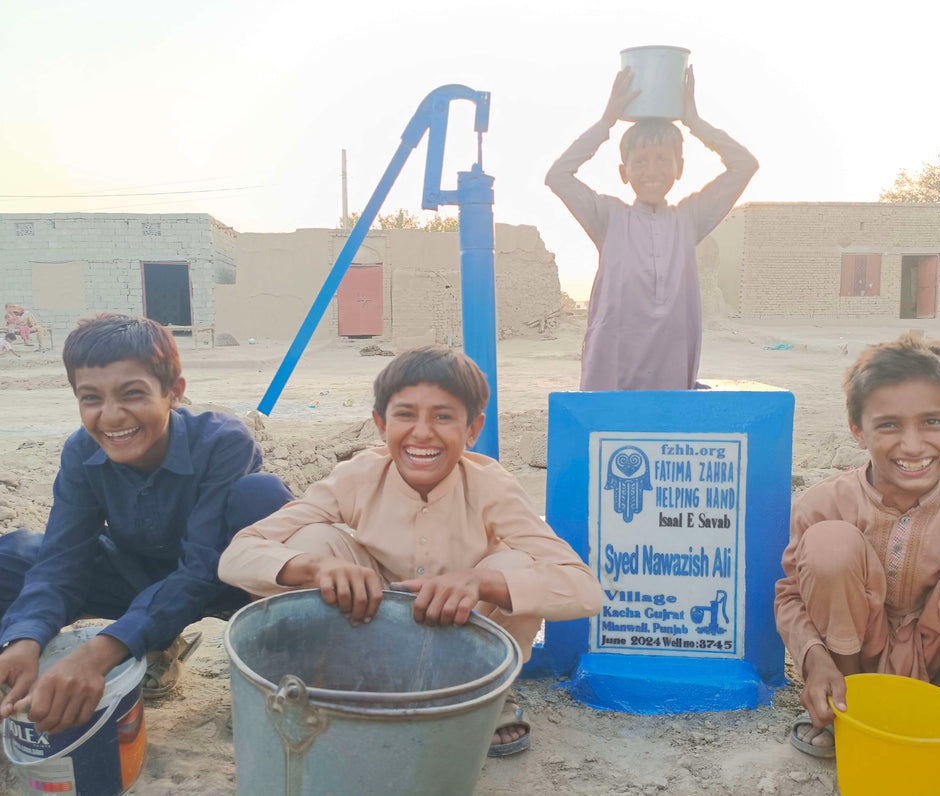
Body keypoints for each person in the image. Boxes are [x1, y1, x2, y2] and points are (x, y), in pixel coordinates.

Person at [219, 345, 602, 756]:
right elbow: (236, 557)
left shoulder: (493, 489)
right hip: (369, 632)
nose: (422, 432)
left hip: (461, 643)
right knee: (311, 540)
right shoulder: (357, 477)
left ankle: (491, 694)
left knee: (518, 567)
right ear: (381, 424)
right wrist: (315, 567)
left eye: (443, 416)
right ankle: (323, 683)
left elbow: (585, 590)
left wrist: (480, 582)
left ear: (473, 429)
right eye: (405, 415)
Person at [0, 313, 293, 736]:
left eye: (132, 394)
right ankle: (28, 676)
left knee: (261, 497)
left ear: (174, 393)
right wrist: (24, 637)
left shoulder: (223, 441)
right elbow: (62, 560)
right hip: (136, 576)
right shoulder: (81, 451)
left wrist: (102, 651)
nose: (112, 416)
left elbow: (200, 570)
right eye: (91, 398)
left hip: (225, 579)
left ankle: (278, 677)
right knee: (14, 556)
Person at [774, 333, 940, 793]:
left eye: (932, 422)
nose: (912, 445)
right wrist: (815, 661)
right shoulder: (822, 503)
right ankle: (843, 711)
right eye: (888, 425)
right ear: (857, 430)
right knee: (830, 544)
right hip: (858, 653)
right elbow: (790, 595)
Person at [545, 65, 758, 391]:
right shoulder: (607, 217)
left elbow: (744, 164)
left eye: (662, 159)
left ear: (680, 168)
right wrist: (606, 123)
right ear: (623, 172)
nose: (652, 170)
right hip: (611, 376)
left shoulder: (690, 219)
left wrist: (695, 124)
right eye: (640, 161)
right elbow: (558, 176)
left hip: (669, 373)